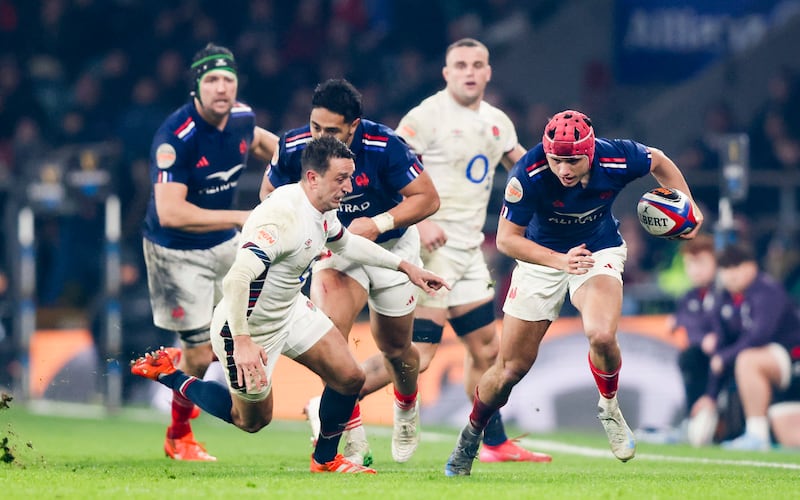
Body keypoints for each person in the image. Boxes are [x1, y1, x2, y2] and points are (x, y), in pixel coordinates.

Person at [131, 136, 449, 473]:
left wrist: (407, 267)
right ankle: (170, 374)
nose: (349, 186)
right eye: (341, 179)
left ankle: (325, 459)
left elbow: (347, 244)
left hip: (291, 310)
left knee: (349, 377)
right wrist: (242, 341)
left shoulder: (320, 209)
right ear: (313, 178)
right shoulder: (282, 219)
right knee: (251, 420)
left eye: (351, 177)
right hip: (250, 327)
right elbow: (236, 280)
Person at [444, 109, 705, 476]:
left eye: (573, 160)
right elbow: (506, 240)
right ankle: (471, 436)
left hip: (598, 250)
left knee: (600, 334)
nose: (563, 169)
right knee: (509, 370)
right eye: (556, 160)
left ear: (592, 152)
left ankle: (609, 408)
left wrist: (687, 204)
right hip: (541, 258)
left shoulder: (618, 156)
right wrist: (559, 261)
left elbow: (658, 159)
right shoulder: (528, 174)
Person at [353, 37, 550, 463]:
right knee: (418, 357)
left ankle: (493, 443)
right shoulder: (424, 117)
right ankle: (335, 400)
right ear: (446, 73)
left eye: (477, 64)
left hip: (468, 251)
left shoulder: (498, 122)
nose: (469, 72)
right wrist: (418, 222)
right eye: (460, 64)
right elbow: (385, 173)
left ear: (488, 71)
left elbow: (525, 170)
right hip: (432, 253)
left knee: (486, 349)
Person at [259, 79, 440, 464]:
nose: (320, 137)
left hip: (390, 244)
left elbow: (428, 198)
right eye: (315, 127)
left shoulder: (385, 145)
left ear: (354, 126)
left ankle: (406, 404)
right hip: (335, 248)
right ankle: (352, 433)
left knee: (396, 349)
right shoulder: (294, 147)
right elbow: (268, 195)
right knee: (332, 338)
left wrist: (380, 222)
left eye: (332, 131)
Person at [142, 43, 279, 461]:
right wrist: (240, 216)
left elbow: (271, 147)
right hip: (175, 254)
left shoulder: (242, 119)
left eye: (228, 80)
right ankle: (178, 434)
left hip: (222, 242)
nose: (222, 88)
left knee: (256, 320)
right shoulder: (175, 137)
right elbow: (170, 212)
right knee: (201, 353)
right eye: (212, 80)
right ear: (196, 89)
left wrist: (299, 173)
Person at [688, 243, 800, 451]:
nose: (731, 275)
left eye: (737, 267)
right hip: (775, 373)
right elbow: (721, 347)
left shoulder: (767, 290)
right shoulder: (723, 299)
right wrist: (711, 396)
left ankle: (757, 434)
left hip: (792, 361)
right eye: (726, 269)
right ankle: (756, 430)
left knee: (747, 359)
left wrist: (726, 357)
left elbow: (759, 336)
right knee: (791, 440)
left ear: (752, 267)